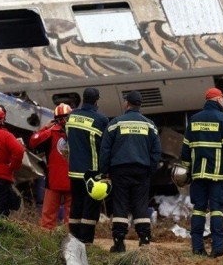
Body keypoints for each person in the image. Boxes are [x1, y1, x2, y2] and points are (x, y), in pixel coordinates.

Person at [99, 90, 161, 252]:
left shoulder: (115, 123)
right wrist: (150, 169)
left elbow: (105, 149)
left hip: (120, 170)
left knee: (120, 205)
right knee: (140, 205)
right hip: (142, 170)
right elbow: (156, 151)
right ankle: (144, 240)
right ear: (140, 104)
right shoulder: (150, 125)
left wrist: (104, 170)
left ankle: (119, 242)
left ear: (127, 103)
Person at [181, 87, 223, 258]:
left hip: (198, 174)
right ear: (217, 99)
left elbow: (185, 149)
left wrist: (187, 171)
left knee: (198, 210)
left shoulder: (194, 119)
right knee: (216, 210)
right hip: (218, 175)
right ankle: (217, 248)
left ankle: (197, 248)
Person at [65, 87, 109, 244]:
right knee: (90, 207)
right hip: (92, 172)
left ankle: (73, 239)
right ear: (97, 101)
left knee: (76, 204)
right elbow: (105, 146)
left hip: (74, 171)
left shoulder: (71, 117)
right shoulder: (101, 120)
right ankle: (86, 241)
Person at [29, 103, 72, 230]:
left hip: (53, 180)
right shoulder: (77, 133)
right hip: (73, 179)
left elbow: (33, 141)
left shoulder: (50, 133)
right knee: (71, 218)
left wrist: (44, 128)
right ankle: (69, 242)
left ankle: (47, 244)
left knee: (48, 217)